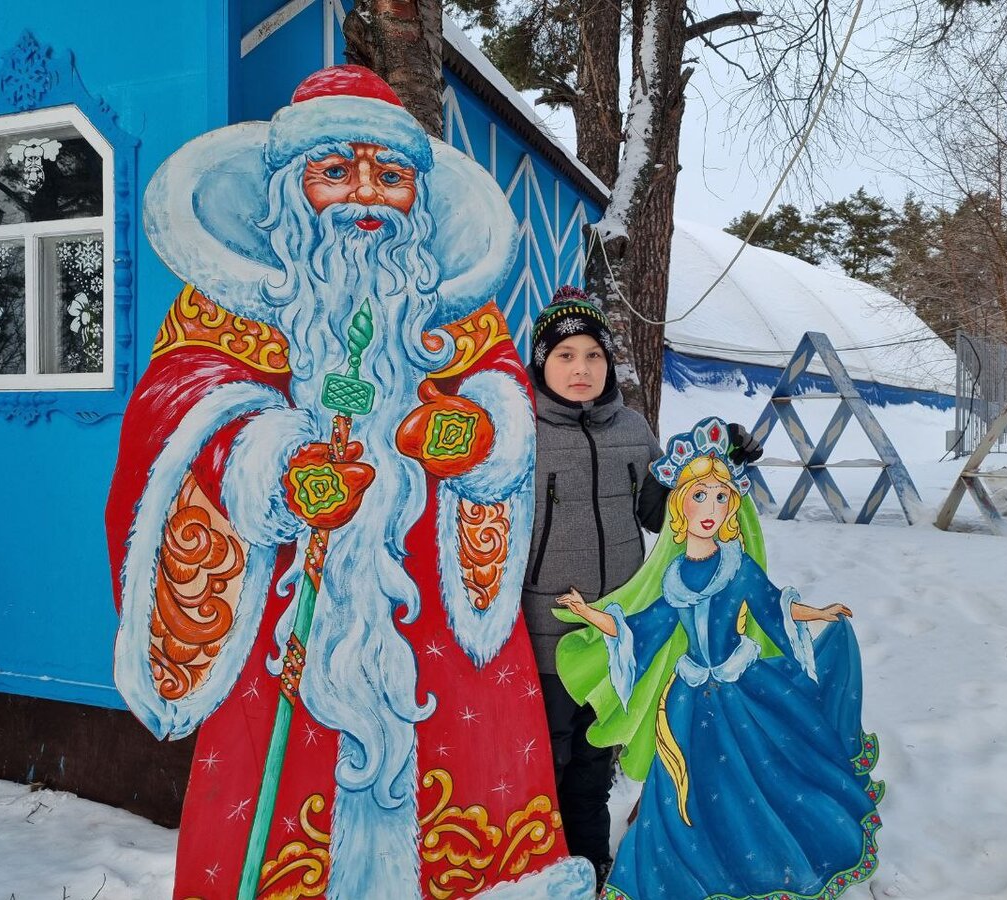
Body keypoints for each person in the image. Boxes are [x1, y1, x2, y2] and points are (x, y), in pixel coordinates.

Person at [106, 66, 594, 899]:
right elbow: (174, 407)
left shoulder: (453, 310)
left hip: (433, 620)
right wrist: (275, 463)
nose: (366, 195)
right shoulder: (228, 307)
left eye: (391, 176)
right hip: (286, 618)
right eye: (336, 171)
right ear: (291, 189)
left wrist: (471, 432)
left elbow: (503, 398)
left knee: (472, 786)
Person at [555, 416, 884, 900]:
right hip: (687, 701)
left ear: (733, 506)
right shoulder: (671, 580)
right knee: (685, 792)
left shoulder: (736, 565)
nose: (710, 507)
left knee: (757, 779)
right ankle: (694, 869)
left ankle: (761, 861)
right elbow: (640, 630)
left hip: (743, 690)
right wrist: (589, 614)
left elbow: (774, 607)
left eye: (721, 497)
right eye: (699, 496)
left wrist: (819, 613)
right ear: (679, 509)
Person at [521, 290, 760, 891]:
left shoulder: (631, 429)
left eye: (594, 356)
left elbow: (664, 511)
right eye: (566, 355)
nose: (581, 369)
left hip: (618, 629)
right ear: (541, 362)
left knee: (594, 760)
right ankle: (537, 866)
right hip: (542, 629)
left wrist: (717, 460)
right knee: (546, 757)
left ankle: (591, 865)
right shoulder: (517, 430)